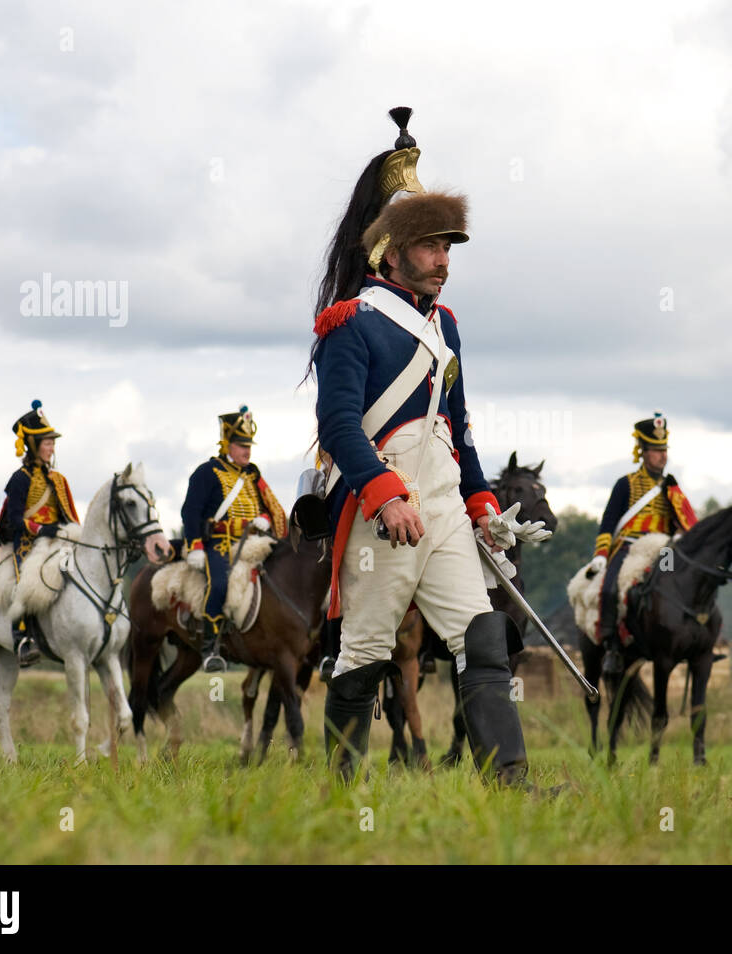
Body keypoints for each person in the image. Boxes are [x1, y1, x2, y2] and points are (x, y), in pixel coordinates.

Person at [308, 107, 547, 783]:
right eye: (431, 247)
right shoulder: (349, 325)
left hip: (443, 507)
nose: (444, 262)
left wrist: (482, 506)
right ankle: (338, 792)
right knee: (365, 649)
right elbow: (341, 427)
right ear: (392, 250)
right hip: (385, 512)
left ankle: (510, 787)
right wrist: (384, 496)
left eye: (448, 248)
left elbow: (458, 428)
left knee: (483, 641)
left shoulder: (447, 329)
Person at [585, 412, 697, 675]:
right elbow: (608, 523)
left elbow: (680, 525)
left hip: (663, 551)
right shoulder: (625, 484)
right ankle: (612, 647)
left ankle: (694, 640)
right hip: (629, 547)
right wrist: (601, 554)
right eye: (657, 450)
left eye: (664, 450)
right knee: (611, 590)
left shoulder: (672, 490)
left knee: (687, 586)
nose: (662, 455)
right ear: (642, 452)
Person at [180, 406, 287, 672]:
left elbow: (268, 505)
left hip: (257, 542)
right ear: (227, 444)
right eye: (241, 445)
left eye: (249, 445)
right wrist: (194, 546)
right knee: (219, 584)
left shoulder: (253, 474)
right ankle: (211, 649)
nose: (247, 450)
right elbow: (190, 512)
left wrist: (264, 518)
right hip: (221, 543)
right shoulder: (207, 472)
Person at [0, 400, 81, 667]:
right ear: (33, 445)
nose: (52, 447)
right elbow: (15, 520)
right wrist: (42, 529)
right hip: (27, 546)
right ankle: (22, 639)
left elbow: (68, 515)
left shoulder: (58, 479)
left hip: (59, 544)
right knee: (25, 585)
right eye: (47, 442)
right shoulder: (19, 479)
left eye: (53, 442)